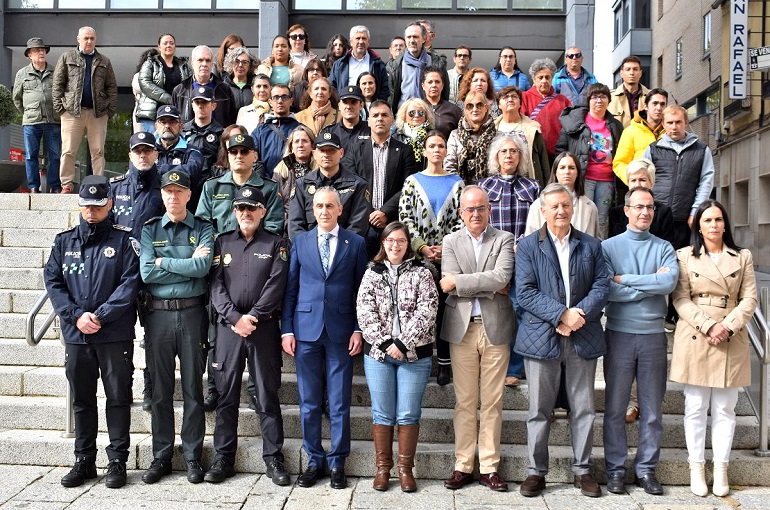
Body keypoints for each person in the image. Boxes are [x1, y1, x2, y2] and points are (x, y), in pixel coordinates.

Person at [44, 175, 140, 489]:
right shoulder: (64, 241)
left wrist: (99, 316)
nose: (91, 211)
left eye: (98, 206)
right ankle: (84, 460)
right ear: (80, 204)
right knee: (82, 400)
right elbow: (54, 283)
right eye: (86, 205)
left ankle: (116, 462)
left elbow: (130, 284)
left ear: (110, 204)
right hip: (77, 334)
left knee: (117, 399)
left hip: (113, 334)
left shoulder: (125, 240)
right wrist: (75, 316)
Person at [515, 182, 610, 499]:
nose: (560, 210)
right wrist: (560, 315)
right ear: (542, 210)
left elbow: (602, 285)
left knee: (583, 409)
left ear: (573, 208)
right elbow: (526, 292)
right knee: (539, 410)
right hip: (542, 338)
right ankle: (535, 472)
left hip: (582, 334)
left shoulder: (591, 246)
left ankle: (583, 471)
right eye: (553, 206)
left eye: (565, 205)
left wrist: (578, 313)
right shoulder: (529, 246)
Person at [281, 187, 369, 490]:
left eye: (330, 206)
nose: (324, 211)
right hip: (305, 331)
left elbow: (362, 291)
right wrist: (287, 328)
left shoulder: (355, 243)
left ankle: (337, 462)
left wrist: (359, 328)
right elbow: (291, 288)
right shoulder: (301, 241)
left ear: (340, 210)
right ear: (312, 209)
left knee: (340, 401)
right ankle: (314, 459)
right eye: (319, 206)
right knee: (308, 401)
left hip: (341, 331)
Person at [670, 200, 757, 497]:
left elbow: (750, 299)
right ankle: (696, 466)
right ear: (699, 225)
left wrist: (727, 326)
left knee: (725, 408)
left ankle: (721, 468)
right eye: (708, 220)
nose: (714, 225)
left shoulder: (742, 256)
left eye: (719, 219)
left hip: (731, 335)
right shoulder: (684, 256)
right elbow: (680, 299)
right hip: (697, 334)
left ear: (726, 223)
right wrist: (709, 325)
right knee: (695, 407)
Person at [205, 186, 290, 486]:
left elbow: (275, 285)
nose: (245, 213)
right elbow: (215, 286)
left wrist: (251, 317)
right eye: (240, 208)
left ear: (262, 212)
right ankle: (223, 457)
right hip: (229, 330)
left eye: (251, 208)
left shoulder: (277, 243)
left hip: (262, 329)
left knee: (266, 394)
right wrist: (233, 318)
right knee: (226, 395)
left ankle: (273, 457)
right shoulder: (222, 242)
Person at [601, 186, 678, 496]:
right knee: (616, 408)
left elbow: (669, 282)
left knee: (652, 410)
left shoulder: (664, 247)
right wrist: (650, 284)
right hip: (618, 334)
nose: (645, 212)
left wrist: (627, 279)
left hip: (653, 337)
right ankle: (615, 469)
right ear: (627, 210)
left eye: (650, 207)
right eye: (639, 206)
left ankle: (646, 469)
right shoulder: (608, 247)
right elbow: (608, 290)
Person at [139, 169, 214, 486]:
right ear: (162, 195)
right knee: (160, 392)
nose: (173, 196)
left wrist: (162, 262)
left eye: (179, 191)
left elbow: (203, 267)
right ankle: (161, 456)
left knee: (194, 392)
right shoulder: (150, 229)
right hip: (158, 317)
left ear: (188, 195)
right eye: (168, 191)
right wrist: (181, 265)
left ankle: (193, 456)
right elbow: (146, 273)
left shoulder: (203, 228)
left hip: (193, 314)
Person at [440, 186, 515, 493]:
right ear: (461, 213)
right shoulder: (450, 241)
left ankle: (489, 467)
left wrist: (462, 282)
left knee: (493, 401)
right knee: (466, 402)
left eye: (480, 208)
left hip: (494, 328)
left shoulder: (504, 239)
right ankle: (463, 465)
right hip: (462, 329)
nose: (475, 214)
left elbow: (503, 278)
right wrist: (482, 285)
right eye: (469, 209)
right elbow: (448, 282)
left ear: (489, 210)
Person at [356, 221, 439, 492]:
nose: (395, 245)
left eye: (401, 241)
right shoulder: (371, 273)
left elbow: (428, 309)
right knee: (382, 412)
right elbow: (365, 311)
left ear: (408, 244)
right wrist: (384, 342)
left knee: (407, 413)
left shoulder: (422, 272)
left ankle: (405, 469)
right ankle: (382, 469)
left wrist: (403, 343)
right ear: (383, 243)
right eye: (390, 240)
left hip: (415, 355)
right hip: (379, 356)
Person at [399, 131, 464, 385]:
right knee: (420, 310)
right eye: (431, 146)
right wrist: (423, 247)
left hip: (449, 258)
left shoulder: (457, 182)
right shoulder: (412, 182)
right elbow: (406, 219)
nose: (436, 150)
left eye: (441, 146)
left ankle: (445, 365)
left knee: (446, 313)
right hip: (419, 259)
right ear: (424, 151)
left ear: (446, 151)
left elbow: (462, 219)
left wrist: (445, 249)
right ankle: (421, 360)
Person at [478, 134, 541, 388]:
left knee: (520, 312)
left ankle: (516, 368)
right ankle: (491, 366)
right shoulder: (484, 187)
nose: (509, 155)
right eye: (504, 151)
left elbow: (538, 224)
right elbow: (479, 225)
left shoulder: (533, 187)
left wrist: (522, 242)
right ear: (496, 156)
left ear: (521, 157)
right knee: (493, 315)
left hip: (524, 261)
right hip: (494, 262)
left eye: (514, 151)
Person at [343, 101, 417, 252]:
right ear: (368, 121)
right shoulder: (354, 149)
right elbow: (351, 185)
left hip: (393, 223)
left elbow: (408, 187)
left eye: (384, 115)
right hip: (362, 222)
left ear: (392, 119)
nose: (380, 119)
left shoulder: (405, 150)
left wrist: (385, 211)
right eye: (375, 115)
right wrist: (371, 213)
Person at [52, 26, 117, 193]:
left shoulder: (104, 61)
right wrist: (61, 109)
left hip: (98, 114)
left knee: (98, 151)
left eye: (92, 38)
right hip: (72, 113)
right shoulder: (67, 57)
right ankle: (66, 184)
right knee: (68, 151)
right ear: (78, 39)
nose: (89, 41)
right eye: (86, 38)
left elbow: (112, 87)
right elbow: (57, 84)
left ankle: (99, 184)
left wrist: (109, 111)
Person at [556, 83, 624, 239]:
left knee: (602, 221)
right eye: (594, 97)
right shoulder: (576, 122)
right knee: (579, 218)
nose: (598, 100)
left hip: (606, 181)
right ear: (588, 100)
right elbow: (561, 148)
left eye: (603, 96)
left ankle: (600, 253)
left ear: (609, 100)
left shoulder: (615, 125)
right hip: (583, 179)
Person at [644, 105, 714, 251]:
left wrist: (695, 212)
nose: (674, 127)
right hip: (657, 216)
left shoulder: (701, 150)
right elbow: (643, 182)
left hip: (685, 218)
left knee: (682, 262)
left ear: (686, 123)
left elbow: (706, 182)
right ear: (663, 124)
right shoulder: (652, 149)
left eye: (678, 122)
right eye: (670, 123)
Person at [197, 132, 283, 236]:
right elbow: (202, 224)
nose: (239, 156)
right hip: (218, 248)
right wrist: (222, 243)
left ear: (255, 156)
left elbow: (273, 226)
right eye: (233, 152)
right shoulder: (211, 186)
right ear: (228, 156)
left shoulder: (270, 188)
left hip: (256, 248)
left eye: (244, 151)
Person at [288, 132, 371, 240]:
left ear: (341, 153)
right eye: (322, 150)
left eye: (331, 150)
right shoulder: (302, 185)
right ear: (314, 154)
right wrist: (309, 248)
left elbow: (358, 227)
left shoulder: (358, 185)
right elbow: (295, 225)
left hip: (344, 250)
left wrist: (337, 248)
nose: (326, 154)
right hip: (309, 250)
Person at [13, 37, 61, 194]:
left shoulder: (55, 71)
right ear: (30, 55)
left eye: (43, 50)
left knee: (54, 156)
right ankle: (34, 186)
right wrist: (28, 112)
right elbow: (17, 98)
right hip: (31, 122)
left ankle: (55, 186)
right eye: (37, 50)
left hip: (53, 120)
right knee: (31, 156)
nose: (41, 52)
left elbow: (62, 94)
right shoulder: (22, 73)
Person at [526, 152, 598, 237]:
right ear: (555, 172)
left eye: (571, 168)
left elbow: (596, 242)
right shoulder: (537, 206)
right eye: (562, 168)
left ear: (578, 173)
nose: (567, 172)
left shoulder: (591, 207)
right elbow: (529, 242)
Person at [609, 158, 675, 245]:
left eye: (642, 180)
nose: (637, 185)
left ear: (652, 183)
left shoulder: (664, 212)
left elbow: (667, 245)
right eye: (633, 180)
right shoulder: (616, 212)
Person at [136, 34, 193, 134]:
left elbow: (191, 84)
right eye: (165, 43)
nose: (168, 45)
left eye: (171, 43)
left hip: (177, 112)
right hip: (153, 111)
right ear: (159, 46)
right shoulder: (150, 62)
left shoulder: (183, 66)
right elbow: (144, 83)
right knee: (155, 144)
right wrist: (169, 99)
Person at [387, 22, 449, 111]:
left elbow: (445, 92)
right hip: (404, 115)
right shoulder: (395, 66)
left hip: (430, 114)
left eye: (415, 37)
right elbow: (391, 96)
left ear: (424, 38)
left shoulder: (436, 63)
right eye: (408, 37)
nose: (412, 40)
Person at [494, 86, 550, 185]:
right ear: (499, 104)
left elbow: (544, 162)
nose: (510, 99)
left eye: (514, 96)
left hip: (528, 184)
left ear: (520, 103)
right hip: (498, 184)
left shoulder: (533, 128)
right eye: (506, 97)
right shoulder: (491, 129)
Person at [520, 58, 572, 164]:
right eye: (540, 77)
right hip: (532, 152)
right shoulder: (524, 98)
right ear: (534, 79)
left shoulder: (563, 100)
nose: (544, 81)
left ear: (552, 78)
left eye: (547, 77)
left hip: (557, 154)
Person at [613, 88, 669, 185]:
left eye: (662, 104)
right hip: (639, 190)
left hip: (665, 188)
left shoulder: (671, 132)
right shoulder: (631, 131)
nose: (659, 108)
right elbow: (619, 163)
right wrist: (633, 181)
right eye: (655, 103)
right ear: (646, 106)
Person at [172, 45, 236, 128]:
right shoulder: (180, 90)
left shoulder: (225, 90)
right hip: (188, 138)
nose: (204, 64)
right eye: (200, 60)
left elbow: (231, 120)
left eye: (208, 60)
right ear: (192, 63)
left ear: (212, 64)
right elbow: (174, 119)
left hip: (218, 138)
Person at [182, 86, 224, 208]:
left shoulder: (221, 133)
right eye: (197, 102)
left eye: (205, 102)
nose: (201, 106)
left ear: (213, 106)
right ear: (192, 105)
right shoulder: (181, 132)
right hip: (186, 188)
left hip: (211, 189)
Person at [153, 105, 205, 200]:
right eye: (163, 122)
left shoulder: (193, 152)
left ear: (181, 126)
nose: (167, 126)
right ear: (156, 126)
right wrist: (179, 169)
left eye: (172, 122)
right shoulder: (149, 149)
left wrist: (158, 169)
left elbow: (191, 172)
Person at [445, 91, 497, 184]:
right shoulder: (455, 135)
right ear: (465, 110)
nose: (475, 109)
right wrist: (461, 189)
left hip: (491, 189)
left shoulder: (498, 136)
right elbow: (449, 166)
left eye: (479, 105)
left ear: (486, 108)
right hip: (461, 190)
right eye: (470, 106)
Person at [251, 84, 302, 177]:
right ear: (270, 102)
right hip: (266, 183)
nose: (280, 101)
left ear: (291, 101)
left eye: (284, 97)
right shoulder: (259, 132)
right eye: (276, 97)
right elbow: (253, 161)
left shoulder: (301, 130)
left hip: (293, 183)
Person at [329, 26, 390, 102]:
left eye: (364, 38)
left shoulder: (378, 64)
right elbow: (332, 87)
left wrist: (376, 105)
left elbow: (385, 88)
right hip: (346, 108)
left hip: (370, 109)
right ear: (351, 42)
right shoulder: (340, 64)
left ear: (368, 42)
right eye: (357, 38)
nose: (361, 42)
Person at [273, 124, 317, 223]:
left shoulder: (320, 170)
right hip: (287, 224)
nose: (300, 145)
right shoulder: (280, 170)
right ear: (291, 146)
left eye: (305, 141)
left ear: (312, 146)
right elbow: (275, 205)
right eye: (296, 141)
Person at [321, 85, 371, 151]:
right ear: (339, 106)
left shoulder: (370, 130)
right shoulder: (330, 132)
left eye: (353, 102)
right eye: (345, 102)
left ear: (361, 105)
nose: (348, 106)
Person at [421, 67, 462, 140]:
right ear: (423, 86)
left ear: (442, 85)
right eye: (430, 82)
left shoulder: (454, 110)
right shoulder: (417, 108)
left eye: (437, 82)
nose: (434, 85)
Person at [608, 56, 650, 128]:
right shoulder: (610, 98)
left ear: (640, 73)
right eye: (628, 69)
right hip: (620, 138)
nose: (632, 73)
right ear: (621, 73)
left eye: (635, 69)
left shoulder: (651, 97)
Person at [393, 98, 434, 166]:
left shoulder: (433, 136)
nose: (416, 115)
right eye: (412, 113)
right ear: (404, 116)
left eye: (421, 112)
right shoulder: (396, 137)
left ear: (426, 116)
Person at [222, 47, 259, 112]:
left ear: (250, 65)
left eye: (244, 62)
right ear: (231, 64)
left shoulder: (257, 85)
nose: (240, 65)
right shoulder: (224, 87)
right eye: (237, 61)